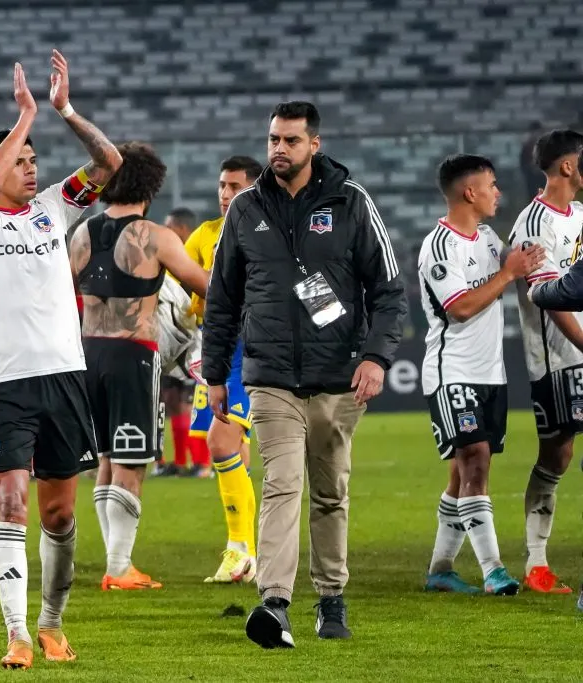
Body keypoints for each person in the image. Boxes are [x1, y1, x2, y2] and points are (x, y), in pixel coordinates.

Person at [202, 101, 407, 649]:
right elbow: (221, 298)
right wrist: (217, 373)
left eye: (291, 140)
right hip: (270, 379)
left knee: (330, 493)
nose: (278, 149)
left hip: (339, 378)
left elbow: (389, 292)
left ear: (314, 144)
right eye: (273, 139)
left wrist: (376, 357)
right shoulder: (245, 209)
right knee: (282, 485)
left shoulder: (351, 202)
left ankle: (331, 598)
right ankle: (274, 604)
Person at [0, 52, 122, 670]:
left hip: (65, 380)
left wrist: (64, 112)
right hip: (6, 387)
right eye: (23, 159)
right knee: (10, 504)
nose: (32, 166)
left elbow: (110, 165)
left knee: (59, 513)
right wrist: (22, 117)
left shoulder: (54, 206)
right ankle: (16, 631)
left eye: (33, 159)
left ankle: (51, 623)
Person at [69, 142, 210, 591]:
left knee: (107, 458)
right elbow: (203, 284)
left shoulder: (82, 234)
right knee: (131, 461)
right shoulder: (157, 237)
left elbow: (58, 294)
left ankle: (116, 562)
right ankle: (119, 566)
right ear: (152, 185)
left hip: (87, 353)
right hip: (134, 355)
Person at [417, 154, 543, 599]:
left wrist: (528, 260)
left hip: (490, 372)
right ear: (470, 192)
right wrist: (509, 273)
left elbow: (517, 267)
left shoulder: (490, 237)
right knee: (475, 460)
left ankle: (440, 569)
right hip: (453, 371)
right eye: (491, 184)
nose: (497, 192)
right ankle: (494, 571)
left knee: (461, 472)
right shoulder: (438, 246)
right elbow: (461, 307)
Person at [182, 155, 263, 583]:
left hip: (249, 349)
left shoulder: (264, 231)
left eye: (234, 186)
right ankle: (248, 550)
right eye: (221, 186)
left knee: (220, 441)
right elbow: (188, 292)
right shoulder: (204, 235)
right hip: (215, 348)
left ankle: (240, 549)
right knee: (234, 446)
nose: (225, 194)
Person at [509, 130, 583, 594]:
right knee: (557, 454)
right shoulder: (536, 224)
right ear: (568, 166)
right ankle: (536, 561)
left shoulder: (579, 214)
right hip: (556, 360)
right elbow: (550, 296)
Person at [155, 206, 199, 477]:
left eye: (170, 226)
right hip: (168, 340)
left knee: (189, 401)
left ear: (183, 229)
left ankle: (201, 463)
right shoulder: (167, 260)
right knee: (171, 399)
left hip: (190, 341)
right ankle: (179, 462)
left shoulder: (192, 260)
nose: (166, 230)